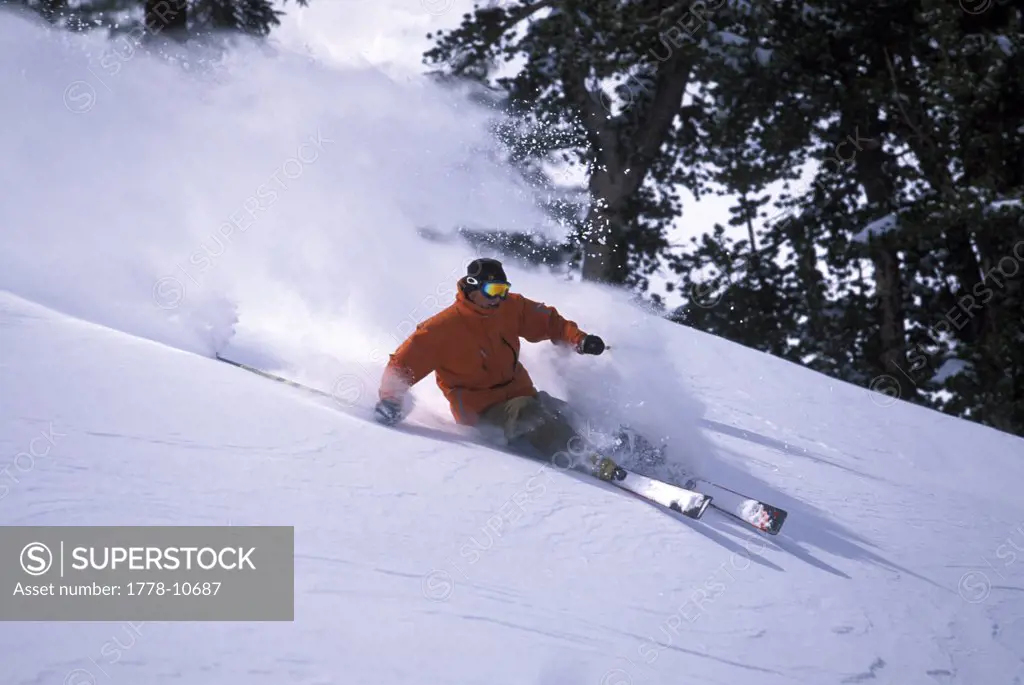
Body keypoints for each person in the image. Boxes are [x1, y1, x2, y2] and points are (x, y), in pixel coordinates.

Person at [373, 257, 621, 479]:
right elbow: (403, 363)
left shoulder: (509, 308)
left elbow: (549, 322)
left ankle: (621, 446)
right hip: (483, 412)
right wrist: (390, 400)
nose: (499, 298)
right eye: (493, 290)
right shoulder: (442, 329)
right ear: (472, 288)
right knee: (530, 415)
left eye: (504, 290)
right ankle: (587, 459)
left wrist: (580, 339)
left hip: (522, 396)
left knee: (561, 410)